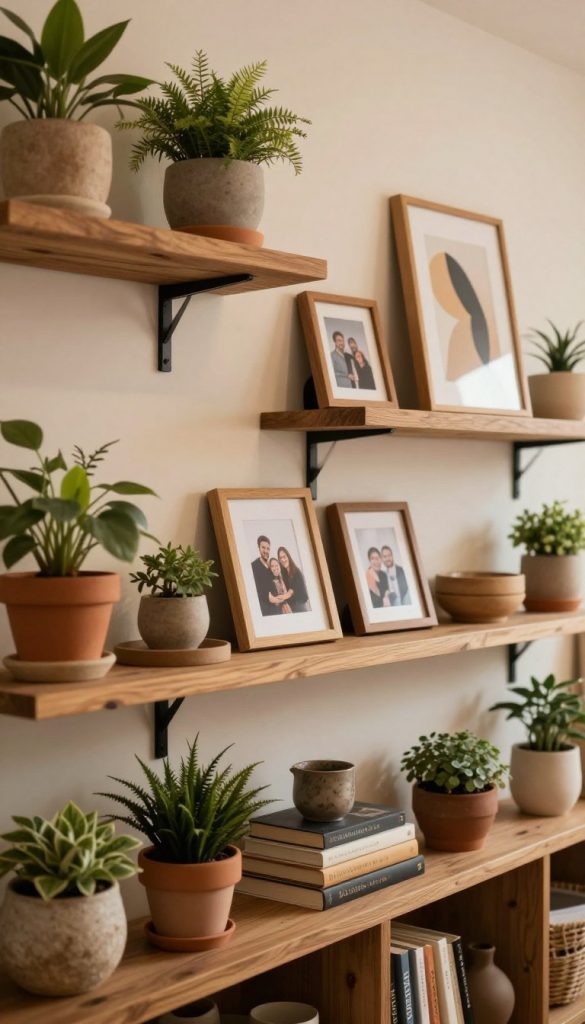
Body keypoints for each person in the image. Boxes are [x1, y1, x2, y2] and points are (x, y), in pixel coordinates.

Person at [251, 535, 280, 616]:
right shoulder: (253, 566)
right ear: (259, 548)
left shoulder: (272, 566)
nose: (266, 550)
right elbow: (256, 588)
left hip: (277, 609)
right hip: (265, 610)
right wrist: (270, 597)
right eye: (263, 547)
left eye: (268, 548)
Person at [278, 545, 311, 612]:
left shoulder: (296, 572)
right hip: (292, 605)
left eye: (284, 557)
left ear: (288, 557)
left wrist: (278, 598)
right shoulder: (284, 573)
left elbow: (290, 593)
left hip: (300, 605)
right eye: (280, 558)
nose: (282, 560)